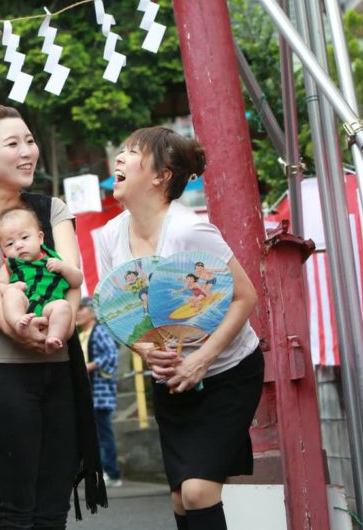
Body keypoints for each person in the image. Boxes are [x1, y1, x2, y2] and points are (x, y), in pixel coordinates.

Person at [94, 126, 262, 530]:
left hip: (227, 374)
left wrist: (202, 360)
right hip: (171, 380)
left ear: (161, 175)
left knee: (198, 492)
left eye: (131, 151)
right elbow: (120, 314)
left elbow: (246, 297)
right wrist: (144, 350)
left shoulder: (189, 230)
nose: (118, 158)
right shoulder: (109, 236)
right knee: (180, 498)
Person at [0, 104, 106, 529]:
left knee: (53, 510)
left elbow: (73, 279)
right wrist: (21, 331)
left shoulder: (50, 208)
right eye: (13, 143)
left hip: (60, 371)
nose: (27, 152)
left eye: (30, 141)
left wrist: (64, 322)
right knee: (16, 511)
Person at [0, 206, 81, 352]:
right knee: (11, 295)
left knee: (63, 306)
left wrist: (64, 268)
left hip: (50, 306)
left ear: (40, 238)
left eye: (24, 238)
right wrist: (9, 287)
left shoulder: (54, 258)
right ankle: (18, 323)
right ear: (2, 250)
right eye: (10, 244)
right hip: (26, 305)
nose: (19, 245)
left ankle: (53, 338)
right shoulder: (10, 265)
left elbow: (77, 281)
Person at [76, 302, 123, 488]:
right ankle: (101, 471)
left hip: (100, 392)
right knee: (95, 434)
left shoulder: (99, 331)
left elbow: (111, 354)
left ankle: (113, 473)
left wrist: (90, 365)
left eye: (81, 309)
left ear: (92, 313)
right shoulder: (84, 334)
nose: (78, 313)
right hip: (89, 392)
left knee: (103, 434)